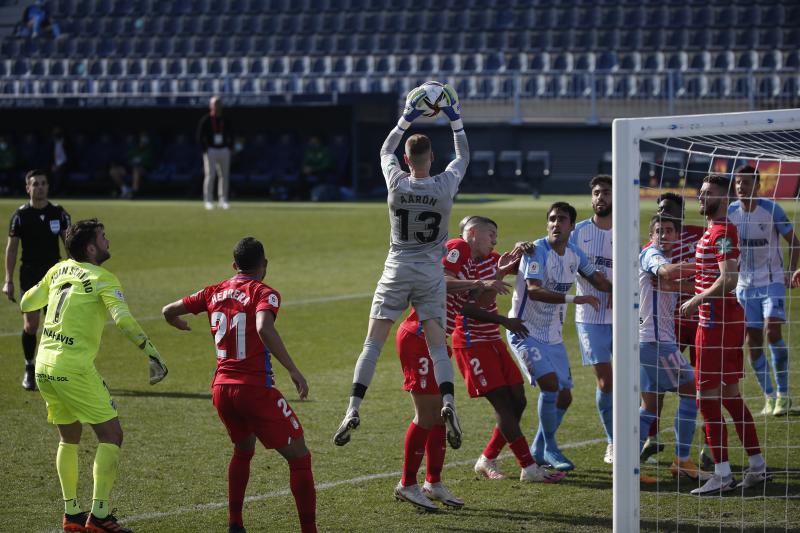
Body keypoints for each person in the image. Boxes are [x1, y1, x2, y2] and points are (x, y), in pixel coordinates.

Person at [332, 83, 468, 451]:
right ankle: (450, 402)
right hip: (429, 272)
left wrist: (406, 118)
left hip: (396, 267)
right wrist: (454, 119)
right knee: (439, 346)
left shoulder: (395, 182)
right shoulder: (443, 186)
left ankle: (353, 407)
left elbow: (385, 148)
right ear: (431, 158)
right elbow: (464, 156)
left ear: (407, 160)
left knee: (373, 343)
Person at [20, 218, 168, 533]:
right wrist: (152, 352)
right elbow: (124, 321)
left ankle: (72, 515)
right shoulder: (103, 278)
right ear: (91, 247)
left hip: (44, 362)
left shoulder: (57, 270)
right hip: (72, 367)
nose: (107, 241)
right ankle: (100, 516)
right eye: (103, 237)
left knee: (69, 437)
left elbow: (26, 302)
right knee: (112, 435)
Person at [161, 237, 316, 533]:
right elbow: (262, 327)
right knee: (300, 457)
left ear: (234, 266)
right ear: (264, 265)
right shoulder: (264, 292)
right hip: (253, 389)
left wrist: (176, 323)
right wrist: (294, 370)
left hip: (221, 389)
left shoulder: (213, 292)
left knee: (243, 449)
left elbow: (168, 310)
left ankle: (235, 523)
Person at [453, 216, 566, 484]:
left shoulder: (494, 259)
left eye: (496, 234)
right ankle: (528, 466)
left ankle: (487, 459)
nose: (494, 239)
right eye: (490, 233)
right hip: (471, 344)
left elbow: (525, 263)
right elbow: (467, 308)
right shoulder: (461, 266)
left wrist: (525, 248)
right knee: (503, 405)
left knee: (519, 400)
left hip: (493, 341)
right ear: (471, 233)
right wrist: (505, 319)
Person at [507, 202, 612, 471]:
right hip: (524, 331)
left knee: (565, 396)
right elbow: (535, 290)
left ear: (572, 226)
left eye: (562, 219)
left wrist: (619, 291)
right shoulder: (535, 251)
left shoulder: (575, 254)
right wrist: (575, 298)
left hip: (552, 336)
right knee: (551, 385)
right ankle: (552, 447)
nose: (556, 223)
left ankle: (540, 448)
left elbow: (597, 279)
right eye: (552, 219)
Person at [680, 175, 767, 495]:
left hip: (715, 324)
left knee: (707, 399)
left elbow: (729, 279)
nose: (702, 198)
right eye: (701, 193)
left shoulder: (723, 231)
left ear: (724, 198)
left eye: (710, 194)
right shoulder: (714, 232)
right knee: (730, 396)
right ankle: (756, 466)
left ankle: (722, 474)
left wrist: (697, 299)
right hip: (726, 321)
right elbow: (711, 276)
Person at [637, 215, 708, 484]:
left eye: (669, 230)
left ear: (678, 236)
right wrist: (705, 265)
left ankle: (631, 466)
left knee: (650, 406)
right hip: (656, 341)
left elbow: (669, 283)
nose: (664, 235)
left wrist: (705, 286)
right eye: (659, 231)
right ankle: (682, 459)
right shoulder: (651, 254)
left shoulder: (662, 261)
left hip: (646, 341)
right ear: (651, 235)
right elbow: (666, 275)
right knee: (690, 390)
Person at [727, 165, 799, 416]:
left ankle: (783, 394)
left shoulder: (771, 210)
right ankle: (769, 397)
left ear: (757, 186)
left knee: (772, 330)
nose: (740, 187)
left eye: (746, 183)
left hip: (772, 282)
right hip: (744, 286)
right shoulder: (731, 212)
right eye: (737, 182)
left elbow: (795, 243)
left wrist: (790, 271)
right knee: (752, 341)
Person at [4, 169, 70, 390]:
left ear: (48, 187)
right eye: (35, 184)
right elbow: (11, 250)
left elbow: (70, 246)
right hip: (30, 275)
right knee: (31, 325)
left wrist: (75, 273)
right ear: (28, 188)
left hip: (56, 275)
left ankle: (53, 371)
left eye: (43, 183)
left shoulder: (59, 213)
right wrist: (8, 280)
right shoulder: (20, 216)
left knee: (56, 326)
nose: (40, 187)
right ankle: (29, 368)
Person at [569, 175, 615, 464]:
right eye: (596, 192)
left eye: (606, 193)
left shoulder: (627, 230)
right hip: (590, 317)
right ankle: (613, 442)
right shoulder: (578, 233)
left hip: (623, 316)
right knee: (606, 382)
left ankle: (641, 437)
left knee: (631, 380)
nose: (601, 198)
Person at [196, 96, 233, 210]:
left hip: (223, 150)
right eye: (215, 104)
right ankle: (208, 200)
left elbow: (232, 134)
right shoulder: (206, 120)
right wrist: (205, 149)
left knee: (224, 176)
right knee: (210, 175)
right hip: (211, 150)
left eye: (219, 104)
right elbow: (200, 136)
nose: (217, 106)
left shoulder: (225, 119)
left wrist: (229, 148)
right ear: (211, 106)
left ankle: (223, 200)